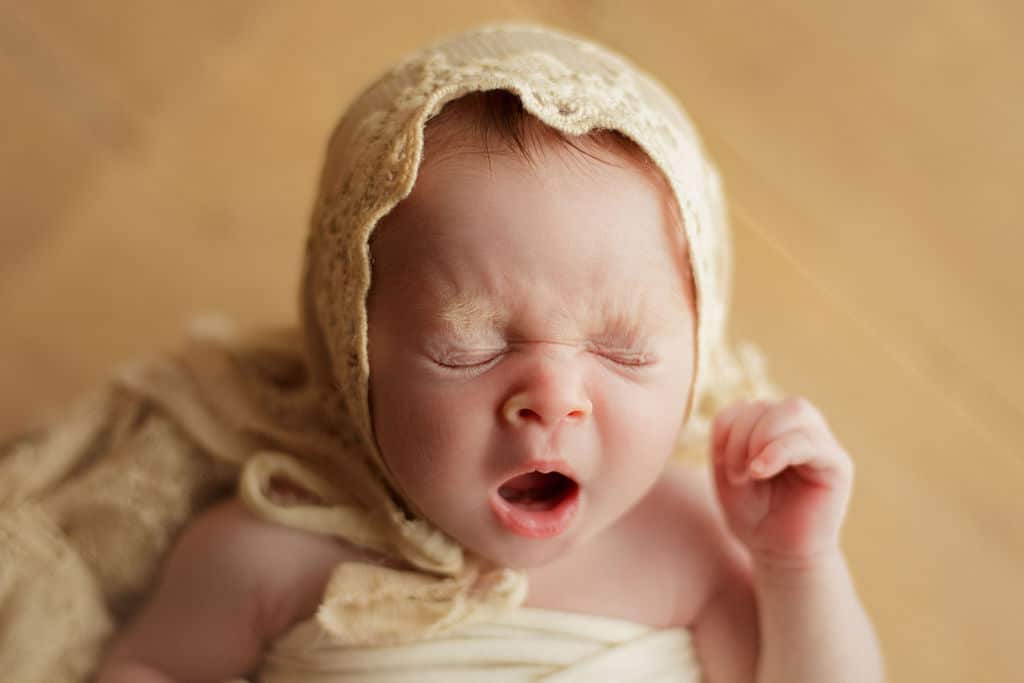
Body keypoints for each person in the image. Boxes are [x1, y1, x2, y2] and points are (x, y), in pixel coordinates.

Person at [2, 24, 882, 682]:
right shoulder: (270, 550)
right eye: (467, 347)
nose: (554, 399)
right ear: (355, 359)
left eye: (622, 349)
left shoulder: (692, 543)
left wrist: (798, 563)